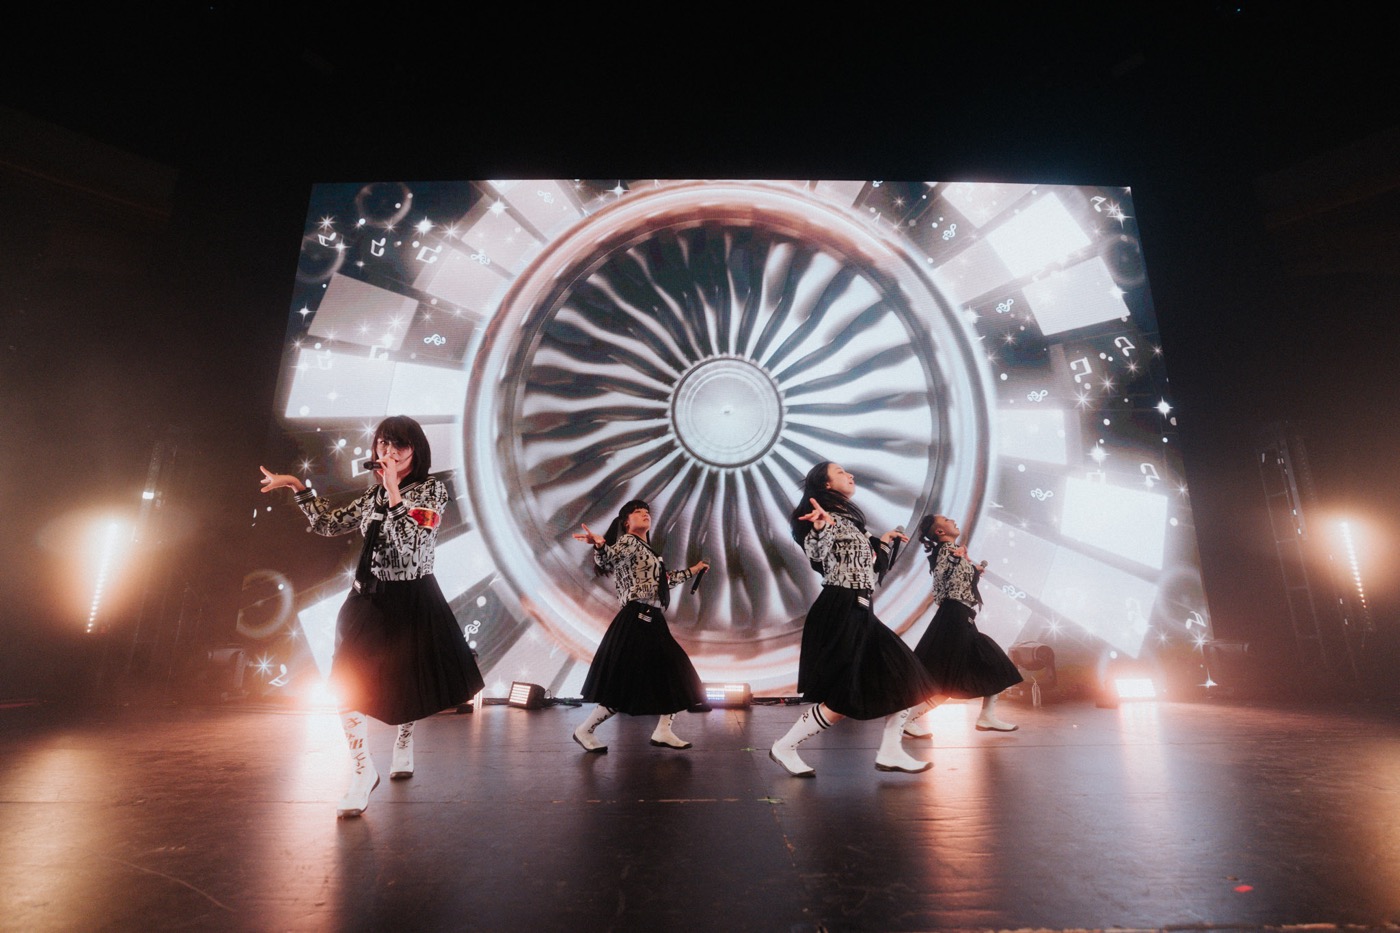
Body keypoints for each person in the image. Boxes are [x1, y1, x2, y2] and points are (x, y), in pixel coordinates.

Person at [259, 415, 484, 818]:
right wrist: (296, 486)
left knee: (408, 678)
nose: (389, 452)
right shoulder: (373, 495)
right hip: (366, 598)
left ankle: (404, 740)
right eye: (383, 443)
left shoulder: (432, 491)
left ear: (416, 450)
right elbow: (328, 524)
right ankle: (363, 770)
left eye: (399, 445)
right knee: (345, 681)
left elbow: (412, 545)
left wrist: (394, 491)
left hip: (412, 597)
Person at [769, 462, 938, 777]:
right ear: (826, 484)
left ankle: (890, 751)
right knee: (843, 698)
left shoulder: (849, 520)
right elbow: (817, 556)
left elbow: (868, 568)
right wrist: (820, 529)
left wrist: (883, 542)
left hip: (860, 607)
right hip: (840, 607)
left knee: (905, 674)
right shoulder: (821, 517)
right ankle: (785, 746)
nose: (850, 475)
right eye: (840, 473)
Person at [570, 499, 709, 753]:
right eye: (637, 512)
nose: (645, 515)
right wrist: (600, 545)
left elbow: (665, 581)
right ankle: (586, 729)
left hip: (652, 617)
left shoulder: (649, 551)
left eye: (647, 512)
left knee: (673, 671)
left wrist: (694, 570)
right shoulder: (628, 542)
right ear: (626, 522)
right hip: (637, 617)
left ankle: (663, 730)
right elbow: (608, 560)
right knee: (630, 680)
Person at [902, 513, 1022, 739]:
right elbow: (943, 580)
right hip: (955, 616)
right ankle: (906, 720)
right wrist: (959, 562)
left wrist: (971, 571)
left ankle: (986, 717)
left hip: (959, 615)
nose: (952, 520)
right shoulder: (946, 551)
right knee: (961, 673)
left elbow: (946, 583)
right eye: (946, 520)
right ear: (940, 532)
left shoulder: (950, 552)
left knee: (965, 672)